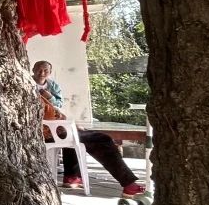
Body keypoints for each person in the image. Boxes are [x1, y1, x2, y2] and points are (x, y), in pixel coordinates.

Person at [33, 61, 145, 197]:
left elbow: (57, 108)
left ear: (50, 72)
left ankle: (72, 177)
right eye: (39, 70)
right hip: (50, 131)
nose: (42, 73)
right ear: (33, 70)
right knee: (101, 139)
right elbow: (50, 115)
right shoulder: (33, 91)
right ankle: (128, 184)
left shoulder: (51, 87)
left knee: (77, 137)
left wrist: (70, 123)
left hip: (57, 128)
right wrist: (69, 124)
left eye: (45, 70)